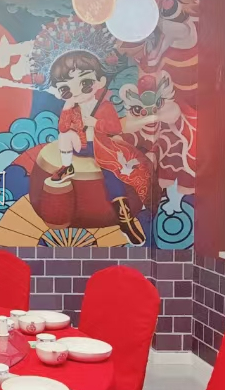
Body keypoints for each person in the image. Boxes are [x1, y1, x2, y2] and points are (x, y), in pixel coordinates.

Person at [44, 48, 153, 244]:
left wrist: (95, 123)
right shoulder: (72, 108)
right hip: (80, 146)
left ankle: (125, 219)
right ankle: (67, 166)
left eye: (85, 83)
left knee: (111, 175)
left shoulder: (104, 106)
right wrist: (68, 106)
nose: (77, 92)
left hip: (101, 147)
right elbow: (63, 127)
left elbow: (115, 127)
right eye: (66, 89)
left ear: (100, 82)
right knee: (64, 135)